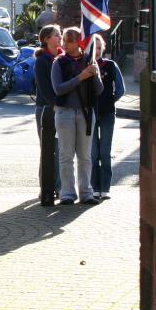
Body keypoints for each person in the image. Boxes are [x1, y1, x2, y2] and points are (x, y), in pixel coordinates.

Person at [51, 26, 103, 205]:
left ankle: (86, 191)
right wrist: (80, 77)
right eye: (64, 40)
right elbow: (58, 89)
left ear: (78, 42)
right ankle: (67, 192)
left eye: (68, 41)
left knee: (85, 156)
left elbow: (99, 90)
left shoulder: (89, 61)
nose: (64, 44)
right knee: (66, 155)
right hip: (65, 112)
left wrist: (94, 75)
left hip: (86, 112)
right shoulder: (59, 63)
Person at [89, 35, 125, 201]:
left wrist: (110, 100)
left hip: (107, 113)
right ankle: (94, 187)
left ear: (102, 48)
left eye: (98, 47)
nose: (95, 51)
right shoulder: (86, 66)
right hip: (90, 113)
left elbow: (120, 89)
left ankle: (105, 188)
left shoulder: (110, 65)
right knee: (93, 153)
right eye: (92, 47)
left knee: (105, 151)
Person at [34, 24, 63, 206]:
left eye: (60, 35)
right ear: (46, 39)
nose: (60, 38)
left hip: (61, 109)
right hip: (46, 109)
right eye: (57, 35)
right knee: (47, 149)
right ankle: (45, 187)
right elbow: (44, 88)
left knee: (60, 149)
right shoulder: (42, 60)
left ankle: (59, 187)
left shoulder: (61, 58)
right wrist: (55, 104)